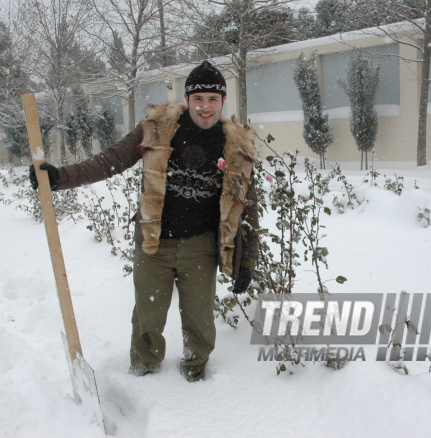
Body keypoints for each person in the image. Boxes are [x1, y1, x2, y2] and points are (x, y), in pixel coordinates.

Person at [30, 61, 259, 382]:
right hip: (154, 244)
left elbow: (249, 209)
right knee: (148, 319)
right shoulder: (158, 127)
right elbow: (111, 160)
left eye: (213, 99)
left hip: (200, 248)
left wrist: (246, 262)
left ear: (223, 101)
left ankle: (196, 373)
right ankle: (144, 374)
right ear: (187, 98)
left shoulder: (236, 146)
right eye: (199, 98)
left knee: (201, 321)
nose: (205, 107)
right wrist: (59, 177)